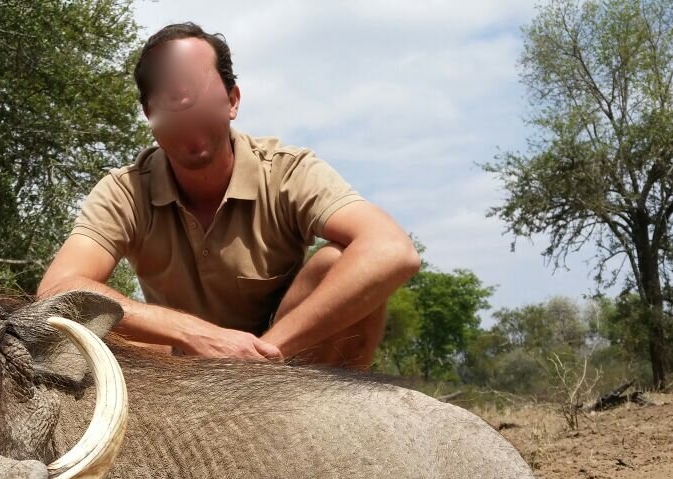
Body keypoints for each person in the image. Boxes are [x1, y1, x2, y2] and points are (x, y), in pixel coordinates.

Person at [36, 22, 420, 370]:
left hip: (285, 361)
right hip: (181, 363)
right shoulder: (124, 190)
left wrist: (260, 355)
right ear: (148, 114)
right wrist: (193, 334)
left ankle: (332, 423)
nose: (185, 108)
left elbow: (391, 250)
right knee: (90, 328)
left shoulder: (289, 171)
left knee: (337, 262)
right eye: (169, 97)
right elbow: (57, 287)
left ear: (233, 100)